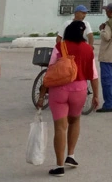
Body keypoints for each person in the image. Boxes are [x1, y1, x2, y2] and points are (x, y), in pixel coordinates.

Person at [36, 21, 100, 177]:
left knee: (60, 127)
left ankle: (59, 166)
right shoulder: (88, 49)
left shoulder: (60, 47)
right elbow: (93, 74)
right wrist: (96, 96)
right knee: (75, 121)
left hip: (59, 90)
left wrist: (42, 94)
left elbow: (50, 71)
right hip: (79, 89)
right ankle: (71, 156)